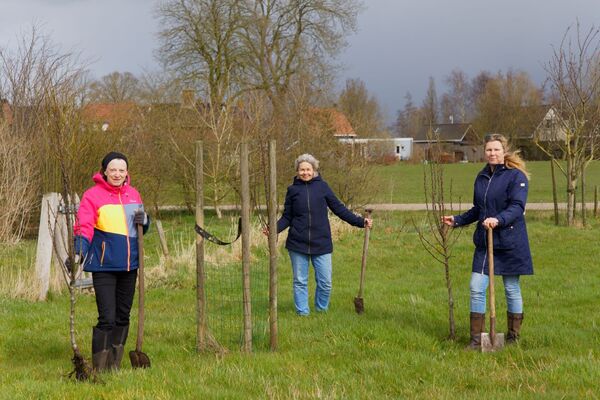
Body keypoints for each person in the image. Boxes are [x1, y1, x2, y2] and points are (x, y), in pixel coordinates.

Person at [442, 134, 533, 349]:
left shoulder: (515, 176)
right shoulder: (482, 177)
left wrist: (498, 220)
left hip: (510, 240)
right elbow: (478, 210)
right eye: (489, 150)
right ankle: (476, 339)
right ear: (485, 152)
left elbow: (517, 207)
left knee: (511, 288)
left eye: (496, 150)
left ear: (504, 151)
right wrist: (456, 220)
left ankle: (513, 337)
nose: (492, 153)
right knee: (476, 287)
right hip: (485, 241)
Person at [73, 151, 150, 371]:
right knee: (107, 316)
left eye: (121, 170)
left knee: (123, 315)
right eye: (113, 170)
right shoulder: (92, 196)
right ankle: (100, 366)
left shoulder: (134, 195)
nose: (117, 174)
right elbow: (84, 226)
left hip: (130, 265)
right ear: (104, 171)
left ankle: (114, 364)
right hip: (104, 265)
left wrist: (145, 220)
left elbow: (141, 229)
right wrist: (79, 250)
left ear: (127, 173)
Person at [270, 153, 373, 316]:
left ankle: (321, 310)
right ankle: (302, 313)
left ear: (314, 170)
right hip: (297, 243)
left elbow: (339, 209)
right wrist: (273, 229)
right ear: (297, 171)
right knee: (300, 282)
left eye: (308, 169)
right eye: (302, 169)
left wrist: (361, 222)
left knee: (325, 283)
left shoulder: (323, 187)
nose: (305, 173)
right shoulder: (292, 190)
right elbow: (287, 217)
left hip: (321, 243)